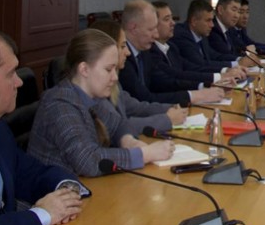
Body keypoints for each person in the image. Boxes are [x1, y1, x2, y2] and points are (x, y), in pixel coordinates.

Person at [28, 29, 174, 178]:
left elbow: (118, 124)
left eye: (115, 69)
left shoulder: (92, 97)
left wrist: (129, 141)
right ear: (84, 69)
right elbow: (88, 161)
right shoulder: (59, 104)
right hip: (54, 189)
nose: (115, 77)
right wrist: (145, 154)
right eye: (109, 69)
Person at [0, 27, 84, 225]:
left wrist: (66, 189)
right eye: (11, 74)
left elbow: (29, 173)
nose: (19, 82)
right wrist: (42, 215)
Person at [89, 19, 186, 135]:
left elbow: (137, 108)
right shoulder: (95, 90)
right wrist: (167, 119)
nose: (128, 52)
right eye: (123, 46)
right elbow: (119, 127)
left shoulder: (114, 82)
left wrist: (172, 108)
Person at [120, 0, 224, 106]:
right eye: (151, 29)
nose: (156, 35)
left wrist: (201, 88)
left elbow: (162, 82)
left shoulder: (143, 52)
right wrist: (194, 96)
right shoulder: (122, 58)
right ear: (133, 28)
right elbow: (144, 99)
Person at [148, 1, 245, 94]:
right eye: (166, 19)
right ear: (153, 24)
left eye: (172, 18)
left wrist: (225, 71)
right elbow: (178, 75)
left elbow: (190, 67)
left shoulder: (171, 47)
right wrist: (217, 78)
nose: (173, 23)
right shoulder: (153, 50)